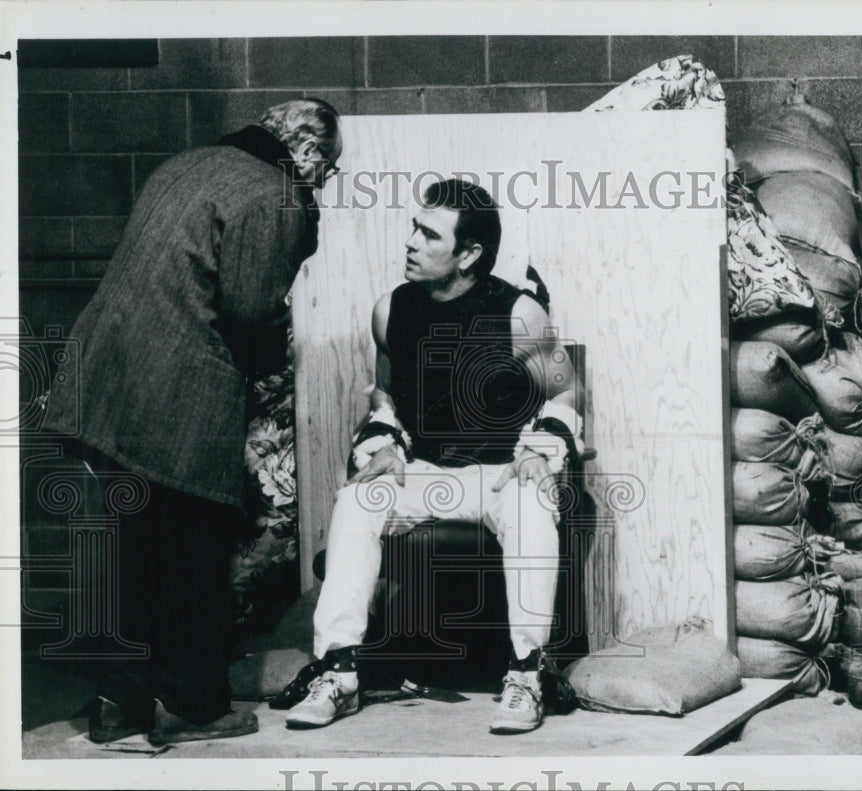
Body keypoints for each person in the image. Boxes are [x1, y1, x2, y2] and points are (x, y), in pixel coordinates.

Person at [41, 98, 342, 745]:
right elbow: (248, 307)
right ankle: (193, 706)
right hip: (178, 387)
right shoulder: (275, 194)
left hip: (104, 373)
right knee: (192, 550)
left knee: (125, 549)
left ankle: (119, 705)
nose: (326, 181)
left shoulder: (188, 164)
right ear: (309, 152)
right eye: (330, 167)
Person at [284, 178, 582, 735]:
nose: (411, 243)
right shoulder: (390, 310)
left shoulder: (520, 314)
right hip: (424, 472)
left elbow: (564, 392)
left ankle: (526, 676)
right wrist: (387, 442)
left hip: (498, 475)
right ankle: (338, 672)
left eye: (428, 234)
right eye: (413, 229)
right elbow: (387, 395)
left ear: (468, 254)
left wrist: (542, 449)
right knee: (356, 500)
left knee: (533, 505)